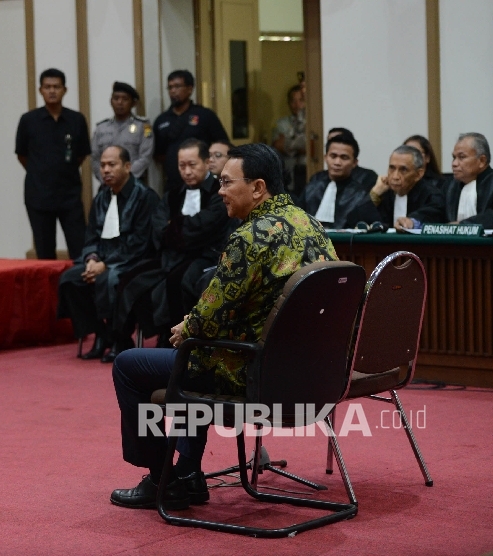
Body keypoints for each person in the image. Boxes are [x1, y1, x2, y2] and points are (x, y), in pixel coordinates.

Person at [110, 143, 337, 510]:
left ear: (258, 188)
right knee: (195, 355)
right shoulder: (309, 223)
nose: (219, 192)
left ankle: (161, 478)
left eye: (226, 183)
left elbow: (206, 319)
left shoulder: (251, 237)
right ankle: (187, 473)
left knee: (131, 365)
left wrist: (188, 325)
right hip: (306, 373)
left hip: (251, 372)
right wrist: (198, 325)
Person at [114, 139, 234, 358]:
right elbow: (158, 226)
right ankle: (120, 340)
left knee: (179, 282)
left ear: (206, 162)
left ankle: (178, 341)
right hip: (170, 255)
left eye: (192, 165)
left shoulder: (219, 192)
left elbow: (205, 227)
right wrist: (179, 230)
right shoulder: (173, 193)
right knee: (130, 279)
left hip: (204, 256)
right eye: (182, 166)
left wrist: (175, 227)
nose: (186, 172)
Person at [58, 146, 159, 361]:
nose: (105, 170)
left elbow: (140, 243)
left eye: (112, 165)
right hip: (102, 260)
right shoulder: (101, 198)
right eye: (103, 165)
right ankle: (100, 334)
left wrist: (105, 264)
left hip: (135, 260)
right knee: (70, 279)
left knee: (109, 279)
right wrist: (92, 258)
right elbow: (91, 236)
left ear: (128, 167)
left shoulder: (144, 197)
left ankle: (120, 339)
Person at [15, 68, 91, 260]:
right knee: (45, 253)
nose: (52, 91)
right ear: (40, 90)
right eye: (47, 87)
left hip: (70, 195)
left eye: (56, 87)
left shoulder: (76, 119)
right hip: (38, 196)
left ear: (65, 90)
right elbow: (22, 155)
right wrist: (41, 171)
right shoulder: (28, 120)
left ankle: (79, 289)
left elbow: (81, 154)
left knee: (80, 248)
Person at [153, 70, 229, 194]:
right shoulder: (162, 120)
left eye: (177, 86)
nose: (173, 91)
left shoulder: (205, 115)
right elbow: (158, 154)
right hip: (173, 184)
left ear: (189, 89)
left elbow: (223, 145)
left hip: (204, 184)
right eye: (170, 87)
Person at [346, 145, 445, 230]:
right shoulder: (384, 192)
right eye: (392, 168)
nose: (395, 176)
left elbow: (430, 217)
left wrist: (411, 222)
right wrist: (375, 193)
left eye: (403, 170)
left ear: (419, 174)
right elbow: (352, 221)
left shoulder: (431, 195)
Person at [298, 133, 378, 229]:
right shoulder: (311, 188)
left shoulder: (360, 195)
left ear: (354, 163)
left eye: (344, 158)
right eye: (333, 156)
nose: (337, 162)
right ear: (325, 157)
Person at [91, 82, 153, 182]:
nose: (120, 102)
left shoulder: (144, 126)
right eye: (116, 98)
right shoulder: (101, 128)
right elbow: (95, 159)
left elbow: (145, 157)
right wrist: (106, 178)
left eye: (125, 99)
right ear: (111, 101)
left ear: (133, 103)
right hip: (107, 184)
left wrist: (124, 178)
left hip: (134, 184)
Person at [443, 133, 493, 227]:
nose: (454, 163)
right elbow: (434, 210)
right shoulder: (449, 185)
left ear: (482, 161)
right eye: (454, 157)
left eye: (461, 157)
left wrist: (463, 225)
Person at [271, 84, 307, 197]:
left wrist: (290, 144)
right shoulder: (282, 124)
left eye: (301, 100)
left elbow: (310, 147)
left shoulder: (313, 123)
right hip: (289, 177)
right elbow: (278, 146)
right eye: (293, 101)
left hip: (308, 174)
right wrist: (301, 146)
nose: (297, 105)